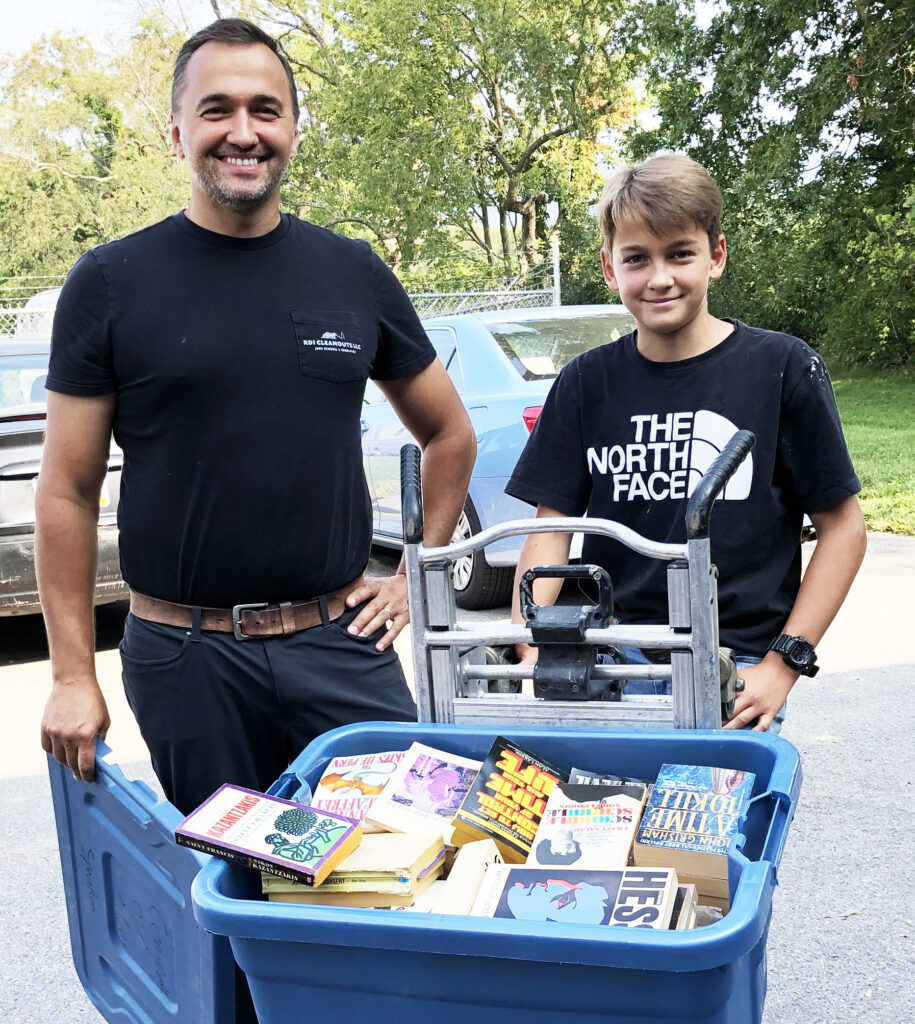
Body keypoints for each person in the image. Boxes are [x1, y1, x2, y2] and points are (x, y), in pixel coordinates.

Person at [37, 18, 476, 815]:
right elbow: (66, 490)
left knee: (401, 859)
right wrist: (71, 674)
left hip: (343, 648)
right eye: (217, 110)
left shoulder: (352, 272)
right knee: (233, 881)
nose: (243, 132)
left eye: (265, 110)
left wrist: (418, 575)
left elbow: (449, 434)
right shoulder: (108, 283)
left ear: (294, 132)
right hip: (187, 662)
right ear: (177, 133)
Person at [506, 153, 866, 733]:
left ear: (715, 256)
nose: (659, 278)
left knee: (710, 799)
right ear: (609, 268)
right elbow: (552, 529)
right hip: (607, 658)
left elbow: (844, 529)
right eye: (636, 258)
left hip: (732, 667)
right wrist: (532, 641)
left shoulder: (781, 368)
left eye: (679, 253)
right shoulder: (585, 382)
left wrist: (783, 665)